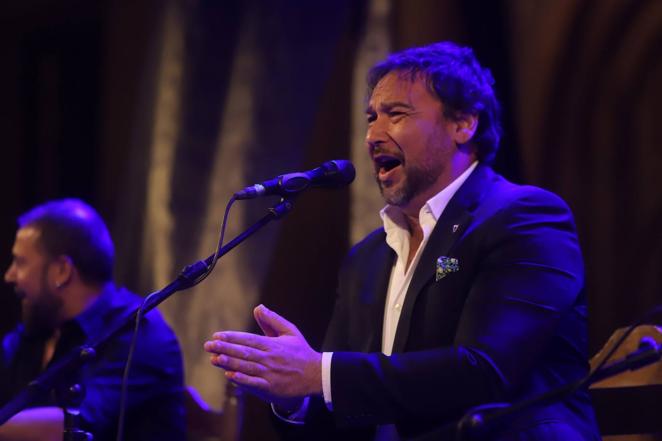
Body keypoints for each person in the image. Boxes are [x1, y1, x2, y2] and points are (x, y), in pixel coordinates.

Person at [204, 41, 601, 440]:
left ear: (463, 124)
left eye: (396, 114)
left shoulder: (524, 218)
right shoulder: (367, 260)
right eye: (371, 117)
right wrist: (296, 396)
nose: (373, 136)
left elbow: (485, 370)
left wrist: (319, 373)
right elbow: (349, 411)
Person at [0, 199, 185, 441]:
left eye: (20, 262)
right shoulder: (43, 327)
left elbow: (76, 425)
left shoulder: (141, 335)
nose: (9, 275)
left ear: (61, 271)